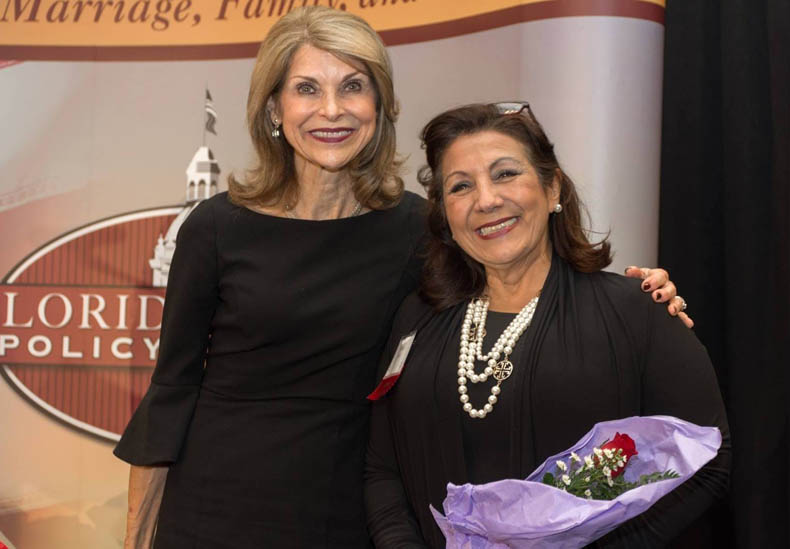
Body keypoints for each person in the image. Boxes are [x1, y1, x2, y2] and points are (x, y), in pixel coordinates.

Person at [114, 7, 690, 549]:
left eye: (353, 86)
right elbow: (172, 393)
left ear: (381, 104)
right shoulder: (216, 227)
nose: (332, 110)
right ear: (273, 110)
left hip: (357, 515)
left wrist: (639, 294)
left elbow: (523, 282)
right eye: (307, 89)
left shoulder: (421, 228)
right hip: (216, 512)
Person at [364, 103, 730, 548]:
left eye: (505, 174)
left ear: (552, 187)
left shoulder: (636, 311)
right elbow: (382, 468)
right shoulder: (416, 319)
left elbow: (709, 460)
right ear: (445, 216)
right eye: (461, 186)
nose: (486, 200)